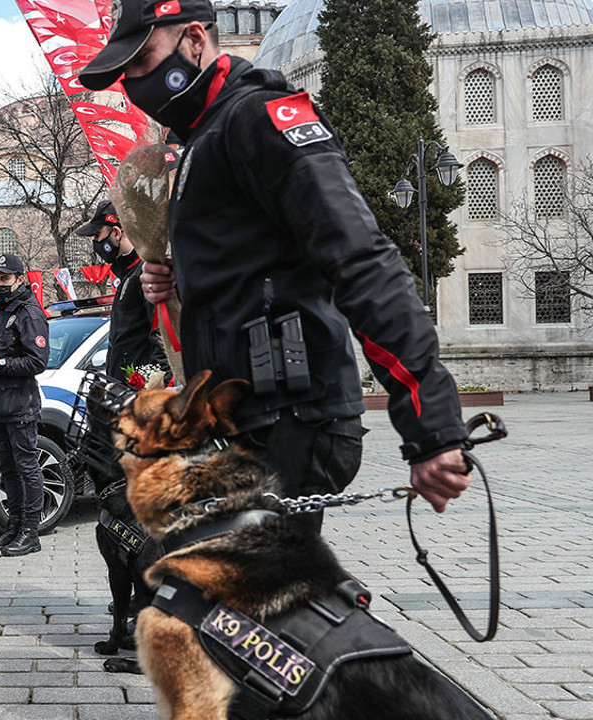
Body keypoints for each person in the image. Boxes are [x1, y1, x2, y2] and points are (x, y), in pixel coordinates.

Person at [77, 0, 471, 530]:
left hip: (291, 417)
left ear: (194, 40)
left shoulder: (261, 116)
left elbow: (361, 260)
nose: (136, 82)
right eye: (128, 72)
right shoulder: (202, 140)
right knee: (227, 596)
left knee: (253, 597)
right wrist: (183, 282)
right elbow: (259, 271)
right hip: (240, 418)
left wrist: (432, 424)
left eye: (145, 58)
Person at [0, 254, 51, 557]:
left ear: (20, 278)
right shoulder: (0, 314)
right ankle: (14, 527)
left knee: (26, 467)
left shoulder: (28, 312)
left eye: (5, 278)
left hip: (19, 404)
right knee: (8, 468)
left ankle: (31, 531)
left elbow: (37, 361)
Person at [75, 200, 167, 381]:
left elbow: (162, 340)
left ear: (116, 233)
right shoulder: (128, 274)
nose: (95, 242)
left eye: (97, 234)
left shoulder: (146, 272)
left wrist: (157, 390)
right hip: (124, 390)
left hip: (143, 396)